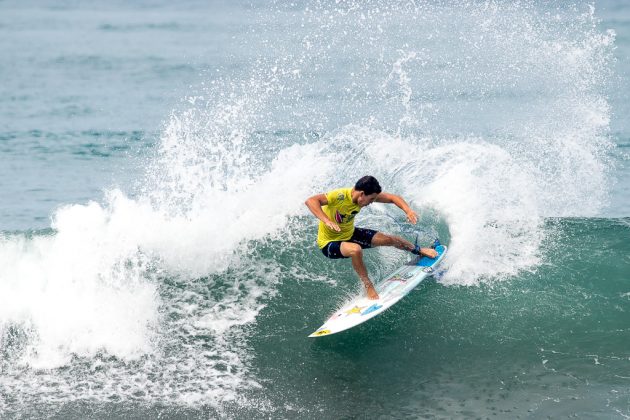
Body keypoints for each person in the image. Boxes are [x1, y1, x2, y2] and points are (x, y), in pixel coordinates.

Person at [305, 175, 438, 300]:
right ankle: (368, 285)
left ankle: (418, 250)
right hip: (329, 243)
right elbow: (311, 201)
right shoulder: (339, 196)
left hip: (349, 234)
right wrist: (327, 220)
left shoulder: (365, 196)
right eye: (371, 199)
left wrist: (408, 210)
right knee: (355, 250)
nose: (372, 202)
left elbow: (393, 198)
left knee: (390, 239)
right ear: (362, 194)